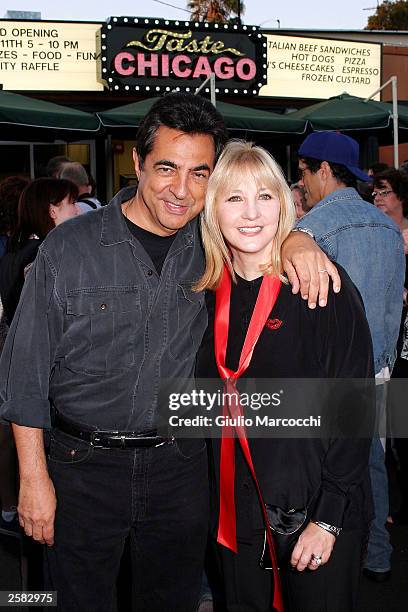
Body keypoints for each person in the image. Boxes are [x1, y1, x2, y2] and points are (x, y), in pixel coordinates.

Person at [0, 93, 339, 612]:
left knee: (172, 599)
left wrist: (299, 240)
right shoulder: (68, 248)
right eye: (166, 168)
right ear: (136, 164)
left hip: (180, 467)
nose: (182, 190)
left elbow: (261, 230)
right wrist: (33, 480)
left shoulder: (213, 245)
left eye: (200, 173)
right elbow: (24, 376)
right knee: (76, 600)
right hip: (81, 467)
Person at [196, 140, 374, 612]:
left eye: (265, 195)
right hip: (237, 518)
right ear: (213, 209)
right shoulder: (204, 293)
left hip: (315, 514)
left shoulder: (319, 284)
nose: (251, 212)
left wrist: (329, 519)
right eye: (234, 197)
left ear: (287, 203)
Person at [296, 131, 405, 583]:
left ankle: (336, 553)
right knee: (371, 460)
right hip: (381, 365)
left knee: (332, 469)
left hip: (333, 372)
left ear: (323, 170)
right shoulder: (384, 224)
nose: (300, 183)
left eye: (303, 173)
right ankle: (377, 553)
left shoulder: (314, 228)